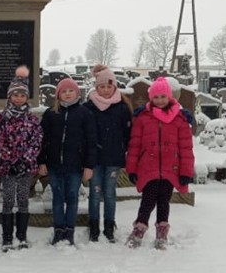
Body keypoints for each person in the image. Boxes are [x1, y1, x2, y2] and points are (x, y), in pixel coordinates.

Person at [125, 76, 195, 250]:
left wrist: (186, 172)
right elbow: (135, 145)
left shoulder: (180, 118)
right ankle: (139, 228)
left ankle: (162, 232)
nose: (160, 100)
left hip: (170, 169)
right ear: (151, 98)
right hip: (148, 168)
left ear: (170, 96)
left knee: (164, 201)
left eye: (163, 97)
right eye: (156, 97)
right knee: (147, 200)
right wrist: (132, 169)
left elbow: (186, 148)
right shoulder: (143, 118)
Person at [37, 77, 96, 246]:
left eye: (71, 90)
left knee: (72, 197)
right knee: (57, 197)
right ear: (58, 95)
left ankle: (69, 230)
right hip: (54, 164)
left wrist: (89, 165)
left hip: (75, 165)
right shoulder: (51, 113)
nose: (68, 94)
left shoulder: (85, 113)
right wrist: (41, 161)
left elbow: (90, 141)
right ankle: (58, 229)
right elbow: (42, 139)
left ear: (77, 93)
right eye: (64, 91)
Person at [0, 75, 42, 251]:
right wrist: (11, 160)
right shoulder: (1, 119)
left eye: (22, 95)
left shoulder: (33, 120)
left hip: (25, 167)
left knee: (23, 200)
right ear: (9, 97)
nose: (19, 98)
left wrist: (24, 160)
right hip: (7, 168)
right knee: (7, 200)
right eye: (16, 95)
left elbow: (36, 142)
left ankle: (21, 236)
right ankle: (7, 237)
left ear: (26, 98)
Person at [83, 65, 132, 242]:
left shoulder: (121, 107)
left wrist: (123, 149)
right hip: (94, 158)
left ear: (114, 87)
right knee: (95, 192)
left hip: (113, 158)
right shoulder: (88, 107)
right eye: (102, 86)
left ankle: (109, 224)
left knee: (110, 192)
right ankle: (94, 224)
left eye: (109, 87)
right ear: (96, 88)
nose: (105, 90)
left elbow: (127, 132)